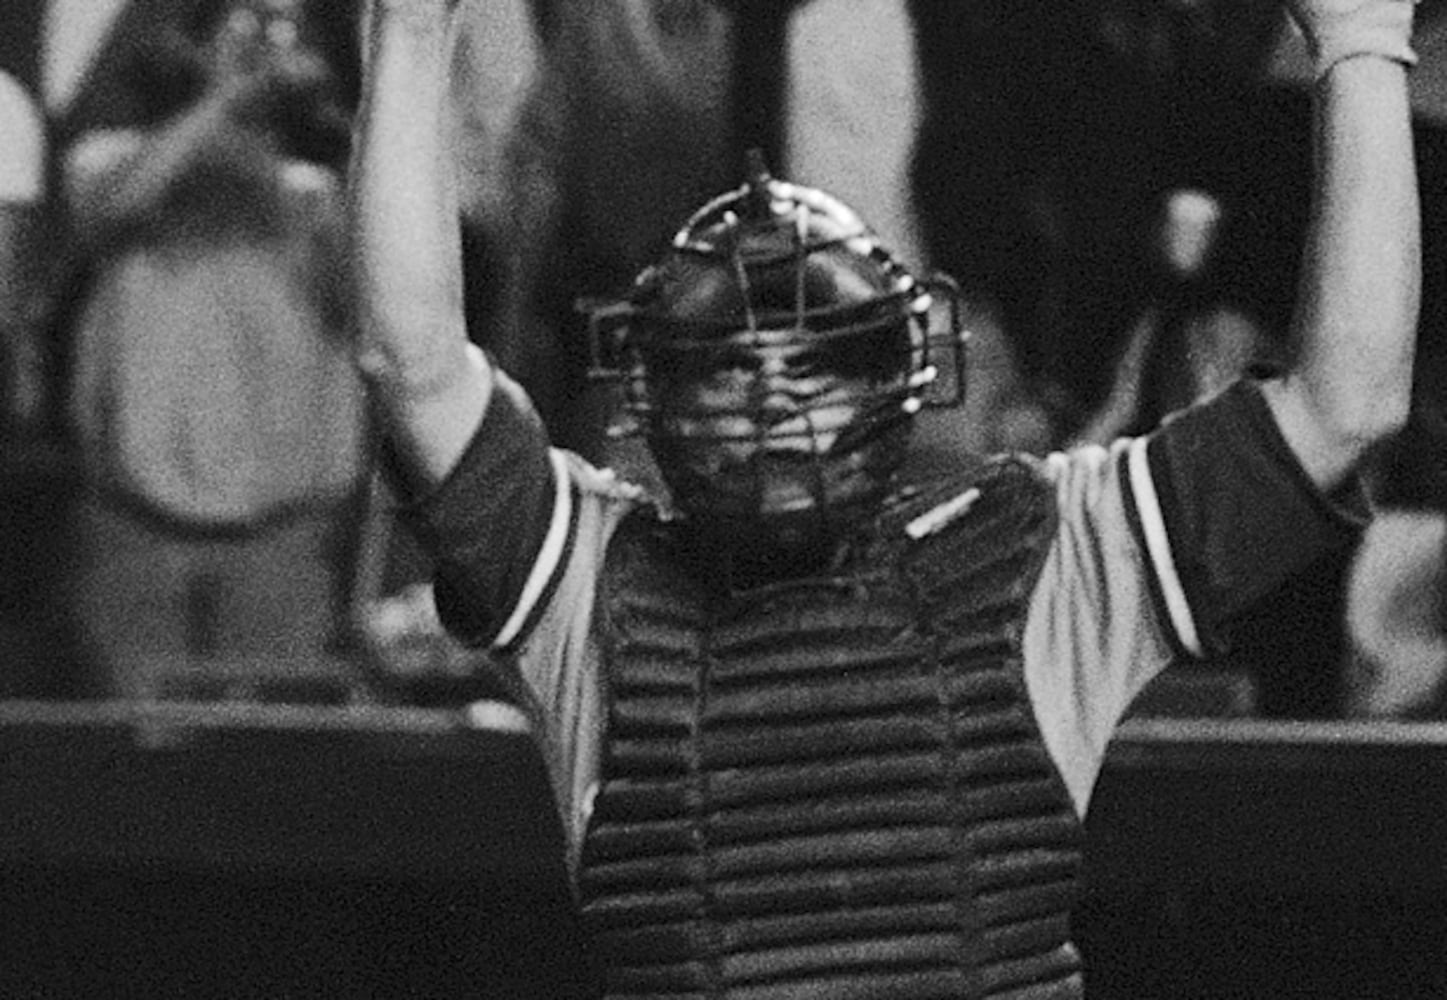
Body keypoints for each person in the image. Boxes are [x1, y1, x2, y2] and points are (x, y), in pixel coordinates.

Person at [352, 0, 1420, 995]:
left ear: (893, 384)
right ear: (658, 397)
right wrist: (407, 26)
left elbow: (1347, 405)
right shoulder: (591, 580)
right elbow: (412, 365)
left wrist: (1362, 44)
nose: (772, 402)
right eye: (728, 367)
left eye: (815, 367)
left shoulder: (1042, 554)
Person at [61, 0, 369, 701]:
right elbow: (113, 208)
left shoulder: (320, 189)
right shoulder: (108, 156)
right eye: (245, 18)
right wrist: (226, 100)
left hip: (282, 534)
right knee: (136, 750)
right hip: (134, 523)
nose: (263, 41)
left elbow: (367, 296)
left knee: (267, 751)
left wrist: (336, 132)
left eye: (283, 24)